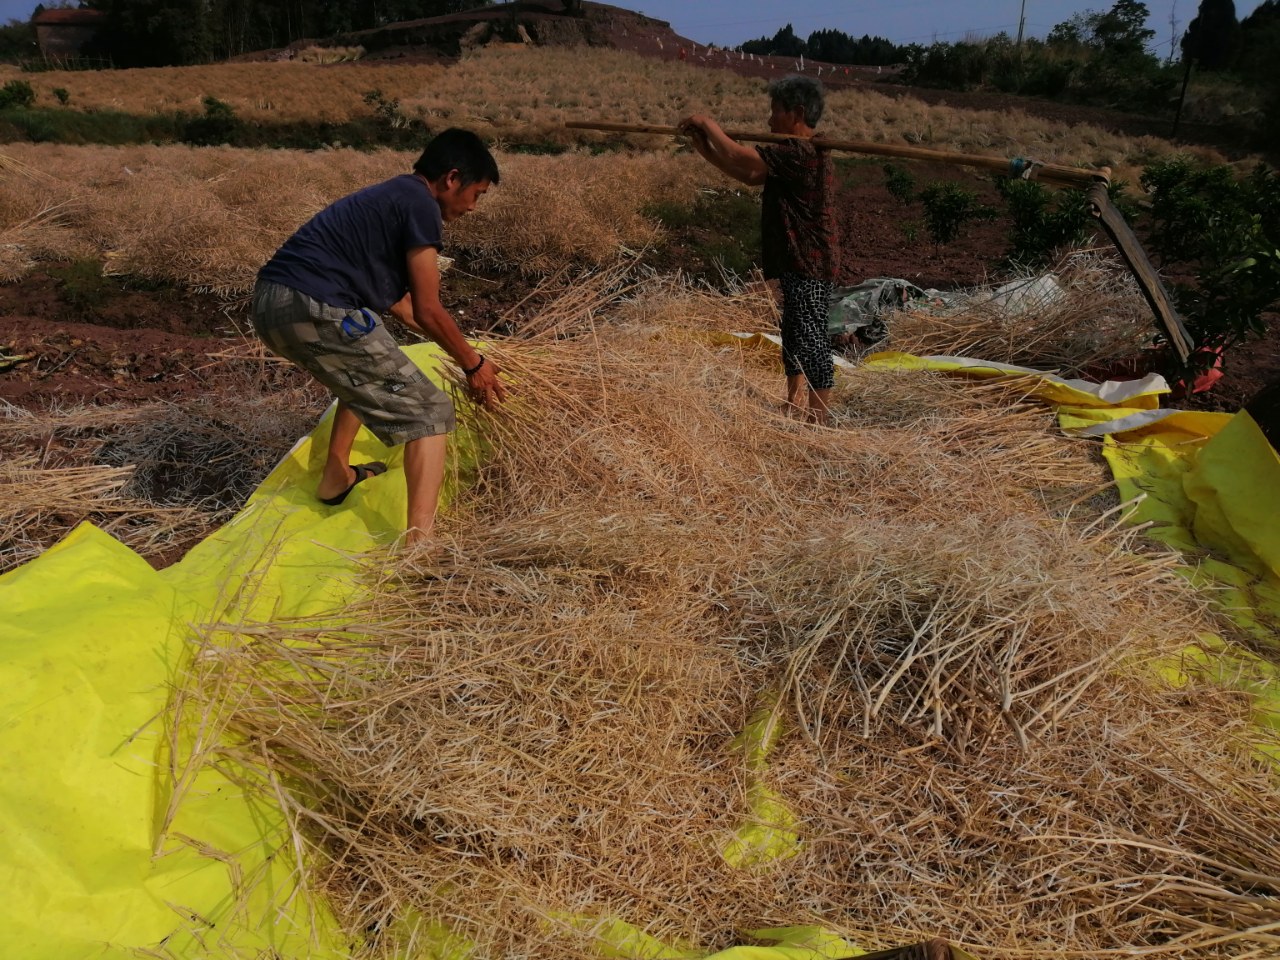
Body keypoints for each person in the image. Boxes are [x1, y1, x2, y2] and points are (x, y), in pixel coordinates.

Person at [251, 127, 506, 547]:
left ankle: (336, 475)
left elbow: (404, 309)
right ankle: (420, 548)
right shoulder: (420, 204)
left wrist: (462, 350)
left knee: (367, 363)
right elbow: (428, 308)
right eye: (477, 193)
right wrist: (473, 363)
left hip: (272, 305)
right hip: (316, 304)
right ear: (452, 178)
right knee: (429, 412)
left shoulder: (392, 198)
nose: (474, 207)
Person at [680, 76, 841, 423]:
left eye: (774, 112)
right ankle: (794, 401)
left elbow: (745, 159)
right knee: (794, 331)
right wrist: (703, 146)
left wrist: (708, 124)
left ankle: (820, 417)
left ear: (796, 113)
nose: (769, 121)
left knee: (811, 334)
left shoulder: (802, 153)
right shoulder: (793, 153)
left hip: (809, 260)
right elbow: (750, 174)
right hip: (795, 259)